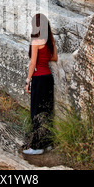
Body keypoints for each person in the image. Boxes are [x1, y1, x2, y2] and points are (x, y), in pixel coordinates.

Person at [23, 13, 58, 155]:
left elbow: (33, 63)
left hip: (38, 78)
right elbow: (54, 57)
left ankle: (37, 147)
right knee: (47, 111)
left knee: (36, 112)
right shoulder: (50, 40)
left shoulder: (36, 41)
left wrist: (27, 81)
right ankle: (47, 143)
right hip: (48, 78)